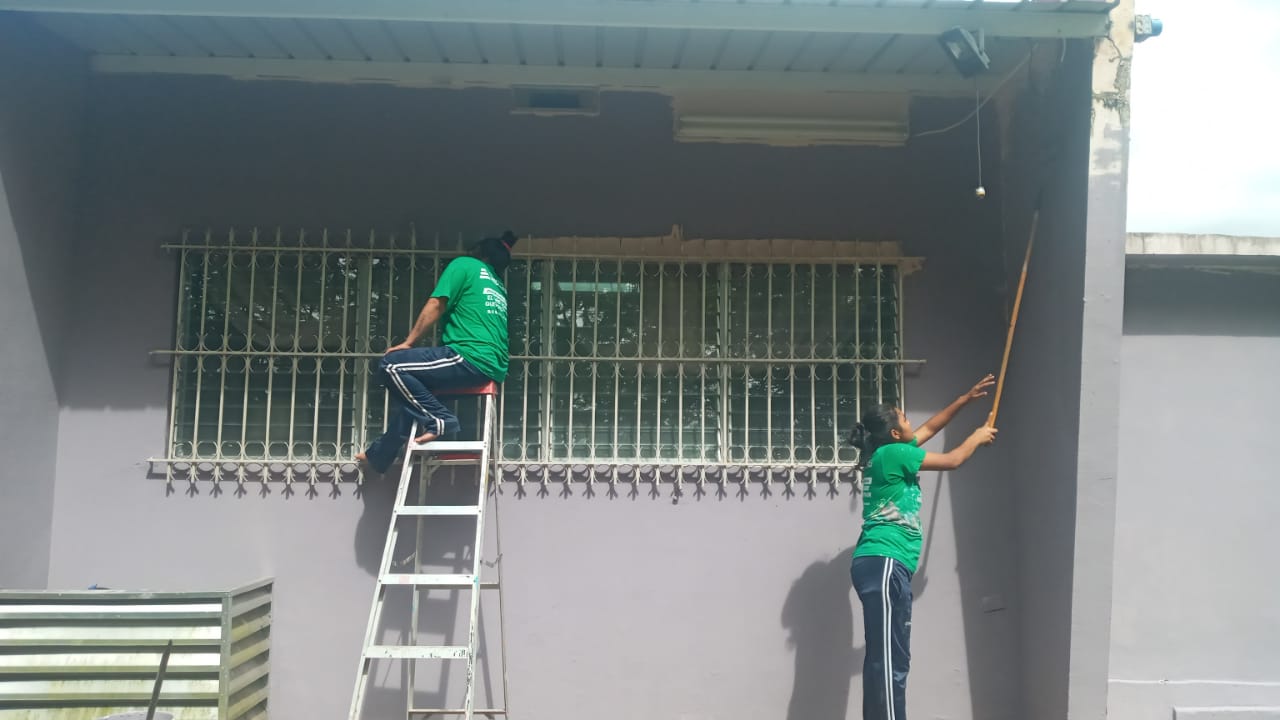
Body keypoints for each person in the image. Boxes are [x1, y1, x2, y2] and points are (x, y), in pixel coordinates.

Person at [847, 375, 999, 720]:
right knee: (886, 658)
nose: (910, 420)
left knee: (896, 659)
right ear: (896, 434)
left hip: (892, 563)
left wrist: (965, 398)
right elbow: (953, 460)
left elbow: (931, 426)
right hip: (883, 560)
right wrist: (976, 436)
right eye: (903, 417)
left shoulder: (891, 450)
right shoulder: (894, 453)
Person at [356, 231, 516, 474]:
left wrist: (408, 342)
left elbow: (437, 304)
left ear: (479, 253)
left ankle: (441, 420)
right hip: (491, 365)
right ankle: (379, 454)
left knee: (392, 365)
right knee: (417, 396)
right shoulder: (497, 284)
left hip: (467, 356)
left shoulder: (464, 265)